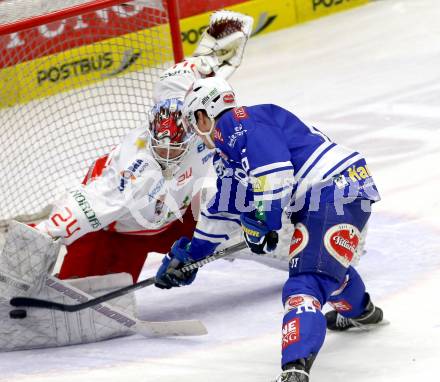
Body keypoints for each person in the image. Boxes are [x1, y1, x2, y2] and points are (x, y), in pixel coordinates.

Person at [154, 76, 385, 381]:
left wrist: (263, 222)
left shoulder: (243, 124)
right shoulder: (229, 147)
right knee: (321, 265)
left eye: (193, 123)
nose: (195, 133)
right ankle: (362, 312)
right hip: (328, 193)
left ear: (202, 115)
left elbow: (275, 176)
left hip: (333, 192)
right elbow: (225, 209)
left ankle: (295, 370)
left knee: (304, 284)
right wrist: (190, 256)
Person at [34, 10, 254, 283]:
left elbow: (197, 74)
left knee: (235, 214)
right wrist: (44, 234)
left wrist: (212, 50)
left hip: (174, 216)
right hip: (115, 233)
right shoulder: (135, 170)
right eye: (161, 148)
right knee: (91, 297)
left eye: (175, 147)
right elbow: (88, 206)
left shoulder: (194, 114)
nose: (167, 154)